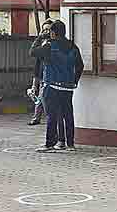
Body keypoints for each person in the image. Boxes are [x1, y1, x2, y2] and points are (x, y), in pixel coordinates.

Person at [31, 20, 83, 152]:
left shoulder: (49, 46)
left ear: (52, 33)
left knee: (52, 115)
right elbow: (80, 65)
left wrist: (40, 37)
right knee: (68, 114)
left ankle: (49, 144)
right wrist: (74, 80)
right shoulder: (73, 46)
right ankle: (70, 144)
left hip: (52, 85)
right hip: (68, 86)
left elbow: (32, 52)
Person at [27, 19, 52, 126]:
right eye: (44, 30)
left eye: (48, 29)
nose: (46, 32)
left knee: (43, 98)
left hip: (51, 77)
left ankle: (46, 118)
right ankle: (37, 117)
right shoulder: (42, 44)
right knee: (40, 97)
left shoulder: (52, 44)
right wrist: (34, 83)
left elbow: (32, 52)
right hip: (42, 75)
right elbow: (37, 62)